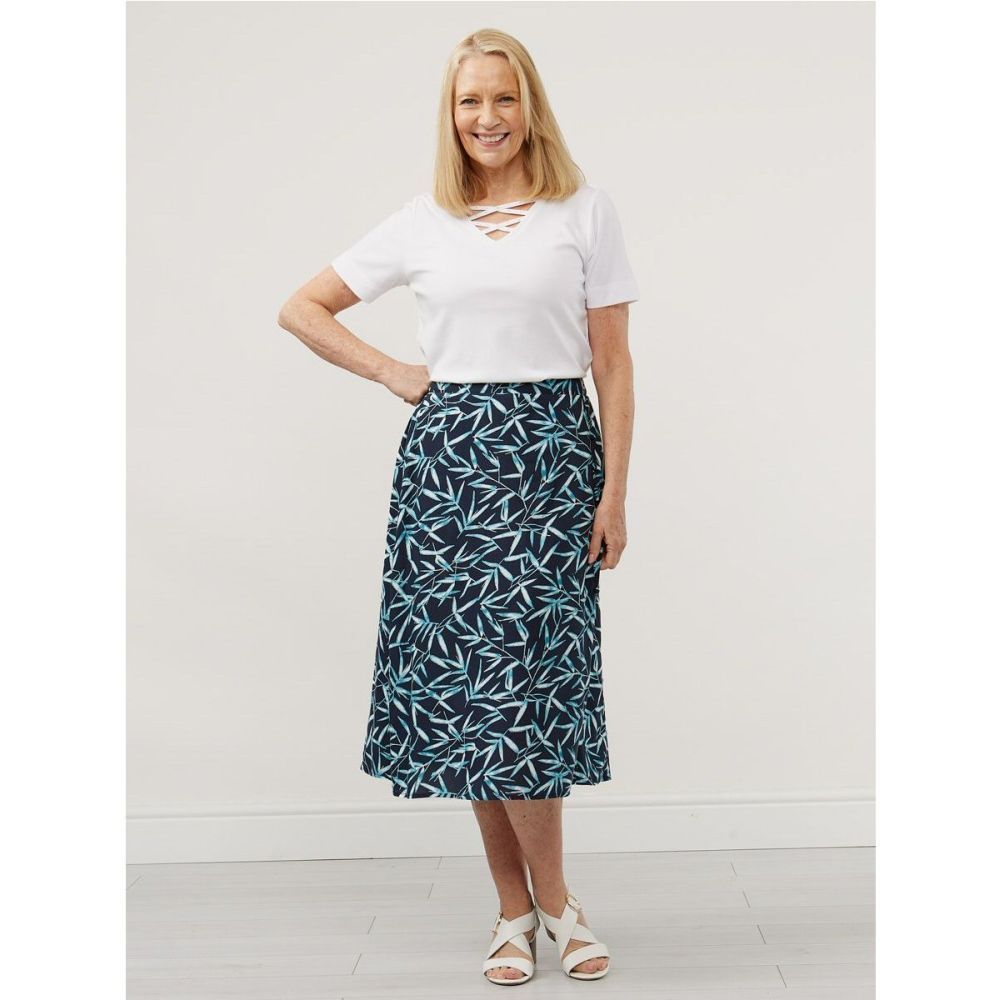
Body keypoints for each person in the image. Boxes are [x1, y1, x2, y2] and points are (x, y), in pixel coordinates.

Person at [277, 27, 638, 986]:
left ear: (531, 106)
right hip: (450, 470)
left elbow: (612, 366)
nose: (487, 117)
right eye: (469, 100)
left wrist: (614, 492)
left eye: (503, 98)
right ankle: (526, 912)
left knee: (531, 692)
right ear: (451, 114)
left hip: (553, 462)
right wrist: (392, 370)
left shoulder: (583, 212)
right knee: (472, 694)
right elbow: (302, 307)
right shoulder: (422, 222)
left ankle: (547, 904)